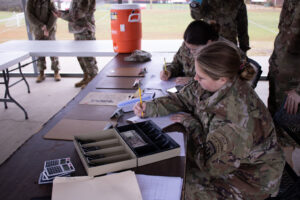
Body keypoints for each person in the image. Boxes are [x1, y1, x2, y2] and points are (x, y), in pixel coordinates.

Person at [135, 42, 284, 199]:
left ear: (222, 79)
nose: (195, 78)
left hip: (249, 180)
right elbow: (184, 98)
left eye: (201, 76)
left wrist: (192, 125)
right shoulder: (211, 83)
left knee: (180, 184)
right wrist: (150, 107)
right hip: (226, 161)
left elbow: (210, 167)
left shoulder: (237, 120)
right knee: (171, 168)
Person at [268, 0, 300, 175]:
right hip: (279, 77)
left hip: (293, 86)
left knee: (287, 136)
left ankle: (288, 179)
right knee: (277, 131)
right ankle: (282, 175)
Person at [161, 20, 246, 86]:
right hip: (188, 90)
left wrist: (193, 80)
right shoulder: (190, 44)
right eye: (187, 47)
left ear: (209, 43)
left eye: (194, 50)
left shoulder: (226, 52)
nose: (190, 52)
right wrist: (169, 71)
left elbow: (228, 82)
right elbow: (177, 63)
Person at [53, 0, 98, 88]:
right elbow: (73, 11)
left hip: (85, 30)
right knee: (81, 56)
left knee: (88, 57)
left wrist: (61, 15)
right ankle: (87, 77)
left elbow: (78, 14)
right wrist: (62, 12)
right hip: (78, 30)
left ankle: (93, 79)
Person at [26, 0, 61, 83]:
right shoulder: (31, 2)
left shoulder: (50, 1)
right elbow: (29, 15)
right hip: (37, 31)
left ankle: (56, 72)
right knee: (39, 53)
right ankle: (41, 73)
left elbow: (54, 15)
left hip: (50, 31)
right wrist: (41, 26)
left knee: (53, 52)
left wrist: (47, 28)